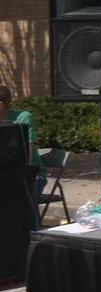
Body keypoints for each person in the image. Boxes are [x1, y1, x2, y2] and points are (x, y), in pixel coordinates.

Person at [0, 84, 45, 227]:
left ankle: (33, 236)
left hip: (30, 176)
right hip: (5, 174)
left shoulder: (23, 118)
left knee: (22, 194)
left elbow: (29, 152)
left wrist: (23, 175)